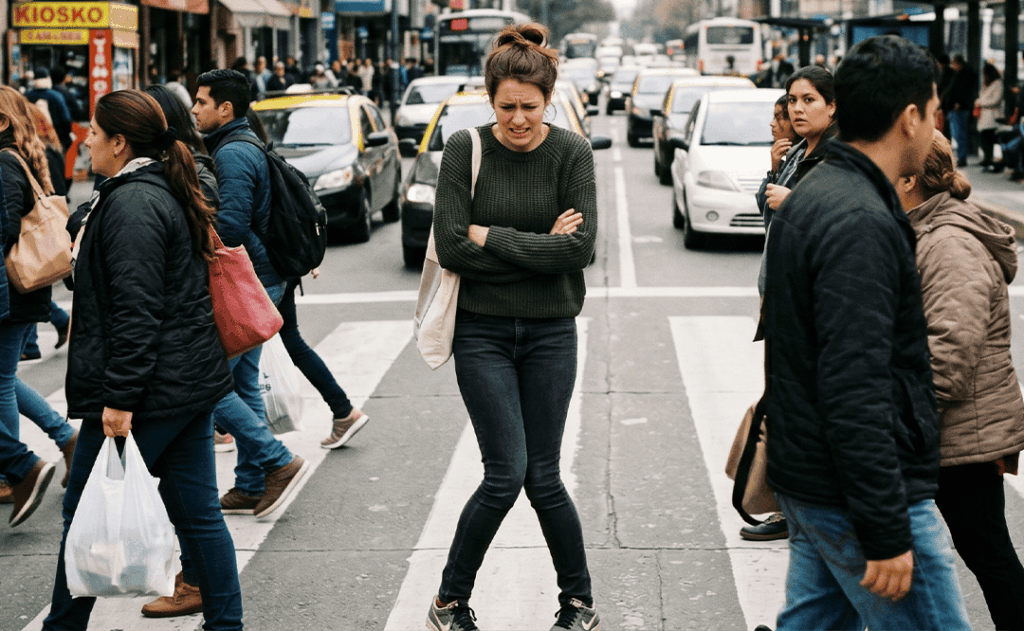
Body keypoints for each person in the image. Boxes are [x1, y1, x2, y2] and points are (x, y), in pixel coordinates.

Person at [762, 35, 971, 629]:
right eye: (934, 114)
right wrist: (885, 529)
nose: (936, 128)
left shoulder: (817, 192)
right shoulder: (860, 220)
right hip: (861, 497)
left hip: (813, 480)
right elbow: (856, 386)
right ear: (910, 118)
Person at [41, 88, 243, 631]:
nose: (86, 139)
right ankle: (228, 625)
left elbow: (137, 311)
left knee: (82, 513)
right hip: (184, 382)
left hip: (151, 390)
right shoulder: (146, 189)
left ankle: (63, 627)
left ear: (121, 142)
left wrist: (119, 399)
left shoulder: (134, 203)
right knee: (201, 517)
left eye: (94, 132)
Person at [429, 23, 599, 631]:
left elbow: (579, 251)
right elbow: (450, 247)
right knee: (505, 476)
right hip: (483, 335)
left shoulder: (572, 152)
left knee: (545, 477)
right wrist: (535, 250)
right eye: (507, 107)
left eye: (530, 107)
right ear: (489, 98)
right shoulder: (464, 148)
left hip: (553, 334)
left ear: (548, 100)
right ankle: (450, 601)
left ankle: (578, 604)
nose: (519, 120)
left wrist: (491, 238)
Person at [895, 129, 1024, 631]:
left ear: (908, 179)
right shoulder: (923, 229)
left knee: (987, 554)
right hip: (946, 429)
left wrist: (892, 414)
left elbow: (947, 358)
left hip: (962, 434)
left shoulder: (950, 243)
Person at [191, 69, 308, 520]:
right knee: (241, 382)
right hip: (263, 276)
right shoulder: (238, 144)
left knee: (210, 383)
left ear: (226, 109)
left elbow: (232, 226)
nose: (195, 109)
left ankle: (276, 460)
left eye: (202, 101)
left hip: (250, 279)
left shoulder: (234, 153)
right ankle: (251, 481)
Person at [242, 112, 369, 449]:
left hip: (263, 272)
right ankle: (343, 411)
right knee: (292, 342)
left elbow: (244, 224)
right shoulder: (268, 157)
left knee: (235, 359)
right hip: (283, 268)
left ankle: (240, 434)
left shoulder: (239, 160)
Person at [0, 90, 58, 524]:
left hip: (11, 293)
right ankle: (60, 441)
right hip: (19, 294)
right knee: (2, 381)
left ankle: (15, 470)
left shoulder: (3, 163)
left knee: (1, 384)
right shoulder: (18, 158)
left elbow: (1, 230)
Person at [24, 67, 72, 152]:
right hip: (56, 137)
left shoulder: (26, 96)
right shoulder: (56, 96)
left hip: (33, 138)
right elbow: (66, 119)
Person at [943, 53, 977, 166]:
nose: (952, 66)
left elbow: (962, 91)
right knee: (958, 133)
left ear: (958, 63)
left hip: (959, 108)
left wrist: (959, 102)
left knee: (959, 133)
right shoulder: (959, 74)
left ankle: (962, 157)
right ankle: (962, 156)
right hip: (956, 107)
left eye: (954, 63)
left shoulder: (964, 75)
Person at [977, 62, 1003, 171]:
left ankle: (990, 160)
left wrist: (981, 102)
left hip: (991, 116)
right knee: (984, 139)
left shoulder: (998, 83)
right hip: (984, 117)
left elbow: (996, 100)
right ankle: (987, 160)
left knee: (989, 139)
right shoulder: (986, 84)